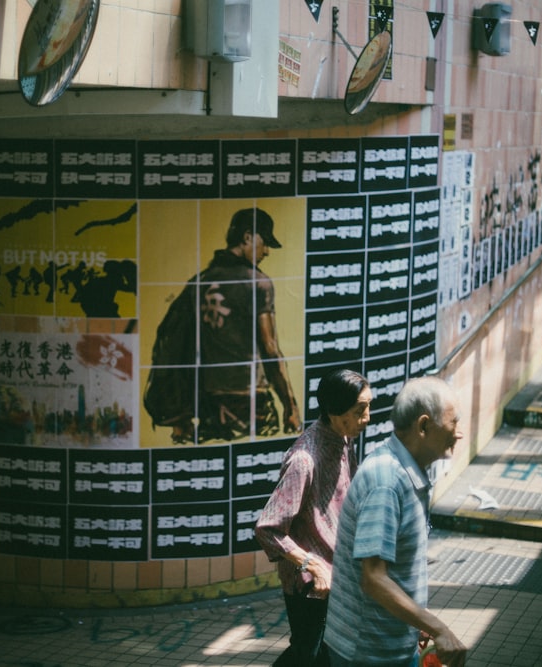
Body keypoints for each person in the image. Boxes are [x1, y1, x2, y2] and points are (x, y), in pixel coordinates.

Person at [324, 376, 467, 667]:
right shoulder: (386, 482)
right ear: (424, 426)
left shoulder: (408, 470)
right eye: (454, 423)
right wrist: (438, 627)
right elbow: (374, 578)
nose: (459, 433)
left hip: (392, 648)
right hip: (366, 654)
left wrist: (417, 620)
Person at [255, 369, 374, 667]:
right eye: (360, 410)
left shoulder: (344, 438)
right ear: (335, 411)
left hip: (340, 573)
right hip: (311, 584)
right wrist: (312, 565)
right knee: (308, 655)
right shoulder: (303, 460)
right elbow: (268, 529)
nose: (367, 417)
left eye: (368, 407)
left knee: (314, 655)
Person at [195, 207, 302, 442]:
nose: (267, 252)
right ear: (247, 237)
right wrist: (290, 404)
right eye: (264, 243)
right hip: (251, 401)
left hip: (209, 403)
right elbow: (270, 348)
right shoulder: (258, 283)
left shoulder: (201, 281)